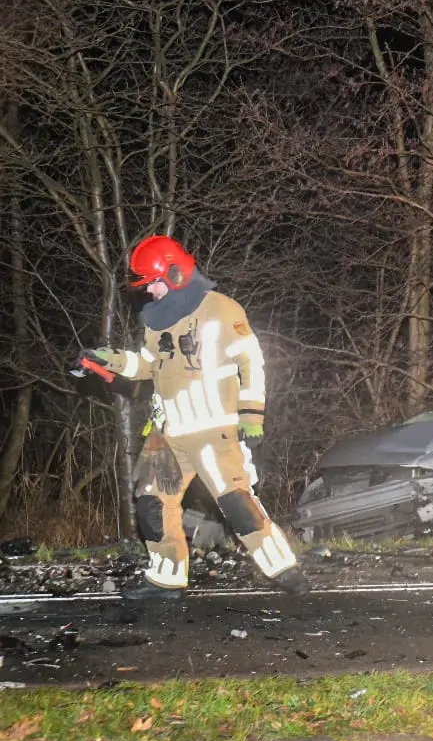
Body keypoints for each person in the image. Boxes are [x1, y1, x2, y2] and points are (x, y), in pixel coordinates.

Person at [76, 235, 311, 601]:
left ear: (175, 273)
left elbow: (252, 360)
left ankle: (284, 570)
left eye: (153, 282)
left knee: (237, 504)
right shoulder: (155, 321)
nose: (149, 291)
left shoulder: (221, 309)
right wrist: (109, 360)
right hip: (168, 433)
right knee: (152, 505)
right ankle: (166, 579)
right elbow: (147, 366)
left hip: (212, 431)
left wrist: (251, 413)